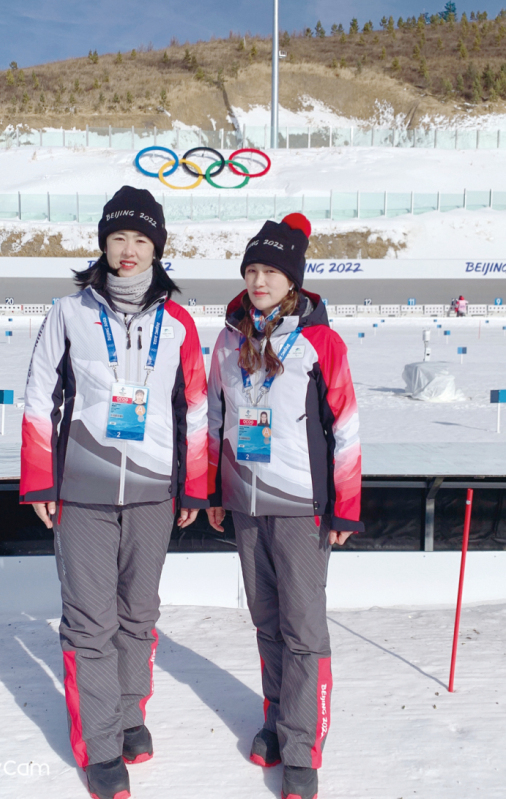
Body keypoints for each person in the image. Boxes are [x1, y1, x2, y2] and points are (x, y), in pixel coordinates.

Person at [19, 186, 208, 799]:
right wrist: (41, 479)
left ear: (158, 248)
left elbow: (195, 410)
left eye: (142, 240)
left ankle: (129, 714)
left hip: (155, 490)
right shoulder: (69, 311)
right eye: (118, 238)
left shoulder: (177, 321)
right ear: (103, 242)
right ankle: (100, 745)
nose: (128, 251)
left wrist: (194, 488)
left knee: (138, 614)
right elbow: (38, 394)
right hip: (84, 489)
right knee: (89, 620)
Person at [207, 213, 363, 799]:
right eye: (251, 269)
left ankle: (303, 746)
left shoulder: (321, 341)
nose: (258, 280)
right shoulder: (229, 337)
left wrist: (344, 506)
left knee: (302, 628)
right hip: (246, 503)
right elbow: (218, 419)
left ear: (292, 279)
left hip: (301, 506)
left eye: (270, 270)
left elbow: (345, 427)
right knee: (266, 621)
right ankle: (276, 718)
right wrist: (217, 490)